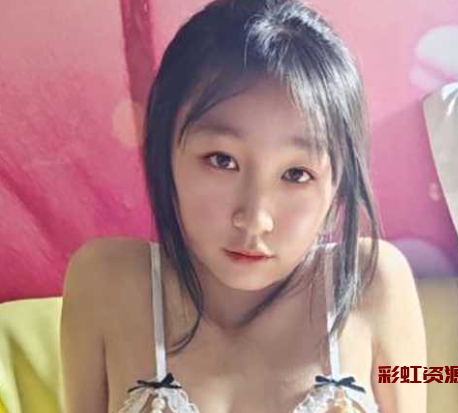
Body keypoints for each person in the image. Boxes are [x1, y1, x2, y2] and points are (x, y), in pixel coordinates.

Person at [60, 0, 426, 412]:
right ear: (165, 154)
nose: (254, 219)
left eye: (296, 174)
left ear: (338, 184)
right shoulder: (107, 283)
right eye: (222, 160)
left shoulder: (371, 283)